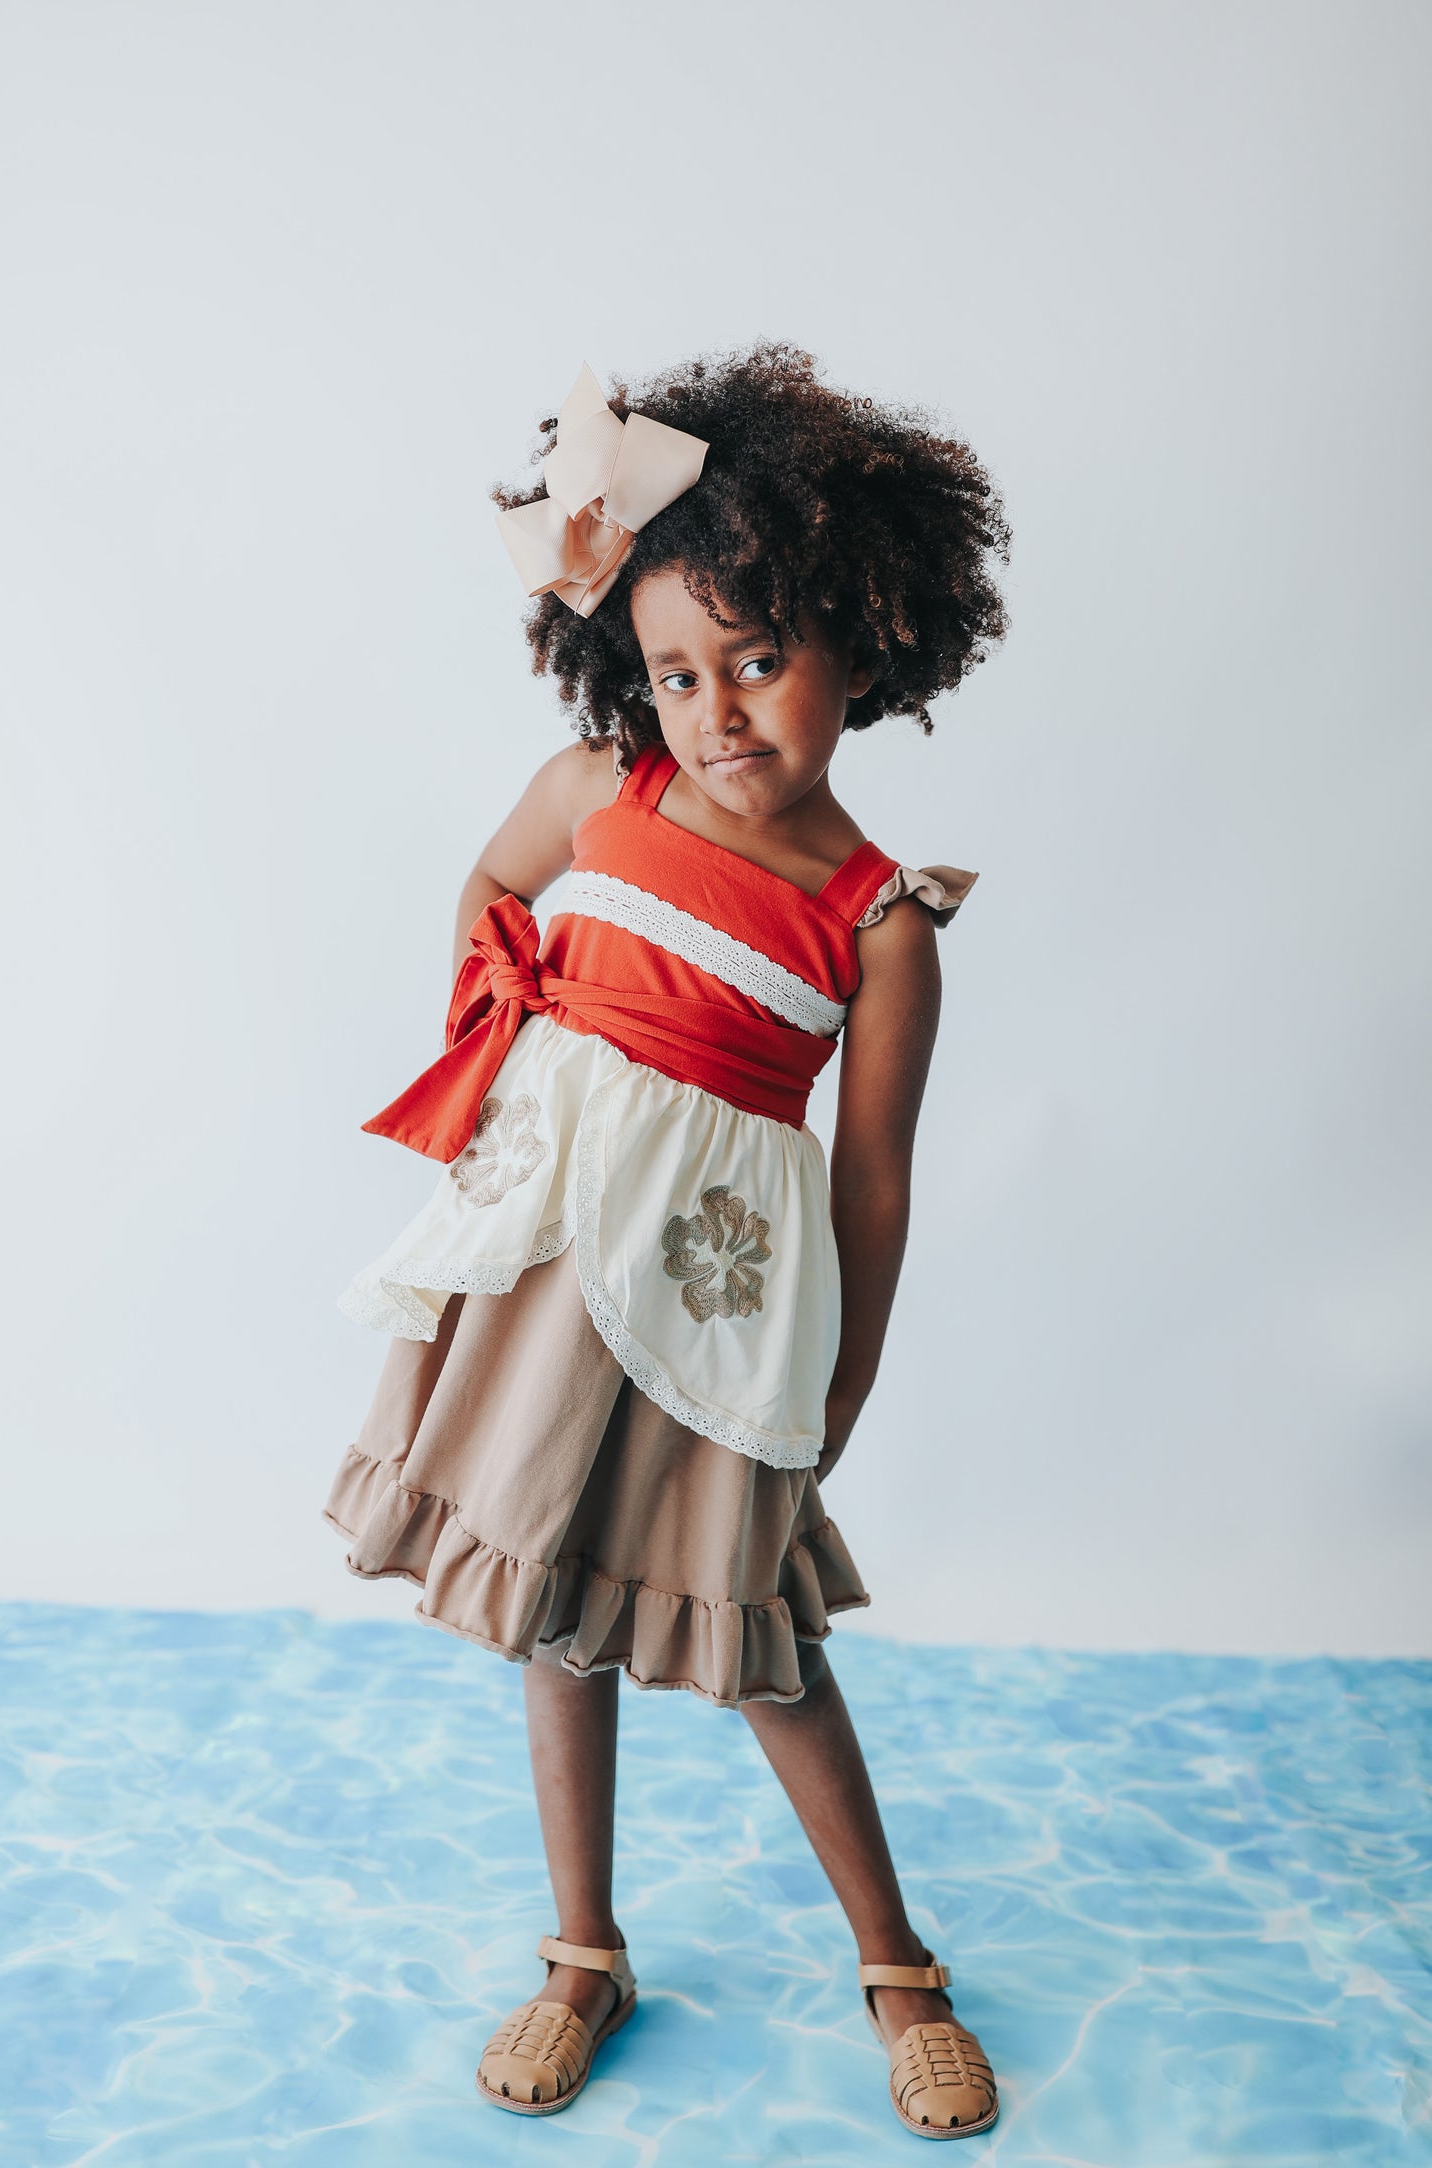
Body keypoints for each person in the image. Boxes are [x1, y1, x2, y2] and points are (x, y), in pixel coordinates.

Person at [323, 342, 1010, 2139]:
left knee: (763, 1639)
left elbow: (870, 1185)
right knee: (557, 1618)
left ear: (866, 638)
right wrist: (511, 1034)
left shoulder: (880, 927)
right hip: (553, 1280)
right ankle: (580, 1952)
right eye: (674, 671)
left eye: (759, 662)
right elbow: (486, 893)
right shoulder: (595, 796)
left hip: (723, 1318)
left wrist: (841, 1385)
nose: (715, 712)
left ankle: (895, 1965)